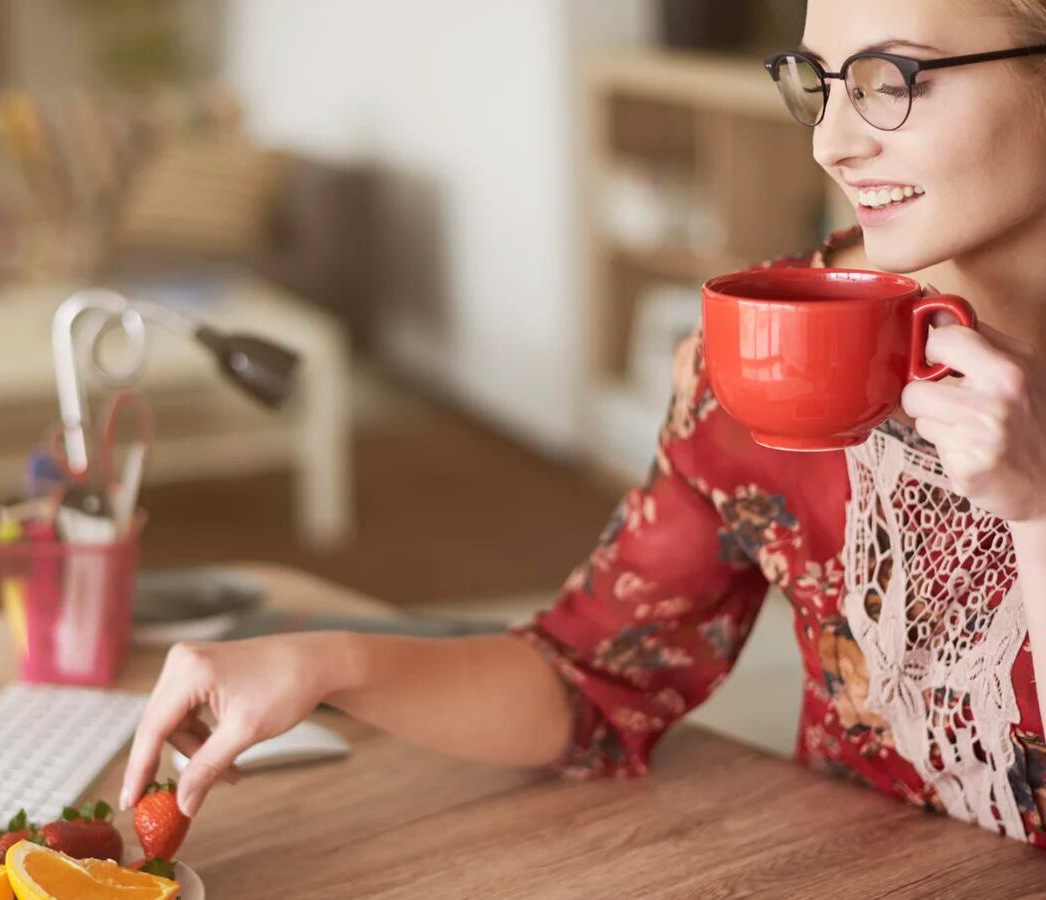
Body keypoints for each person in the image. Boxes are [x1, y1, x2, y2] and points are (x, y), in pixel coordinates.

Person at [121, 0, 1046, 848]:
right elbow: (597, 678)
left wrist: (1038, 510)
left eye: (894, 81)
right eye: (822, 83)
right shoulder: (773, 341)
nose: (831, 144)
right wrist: (324, 663)